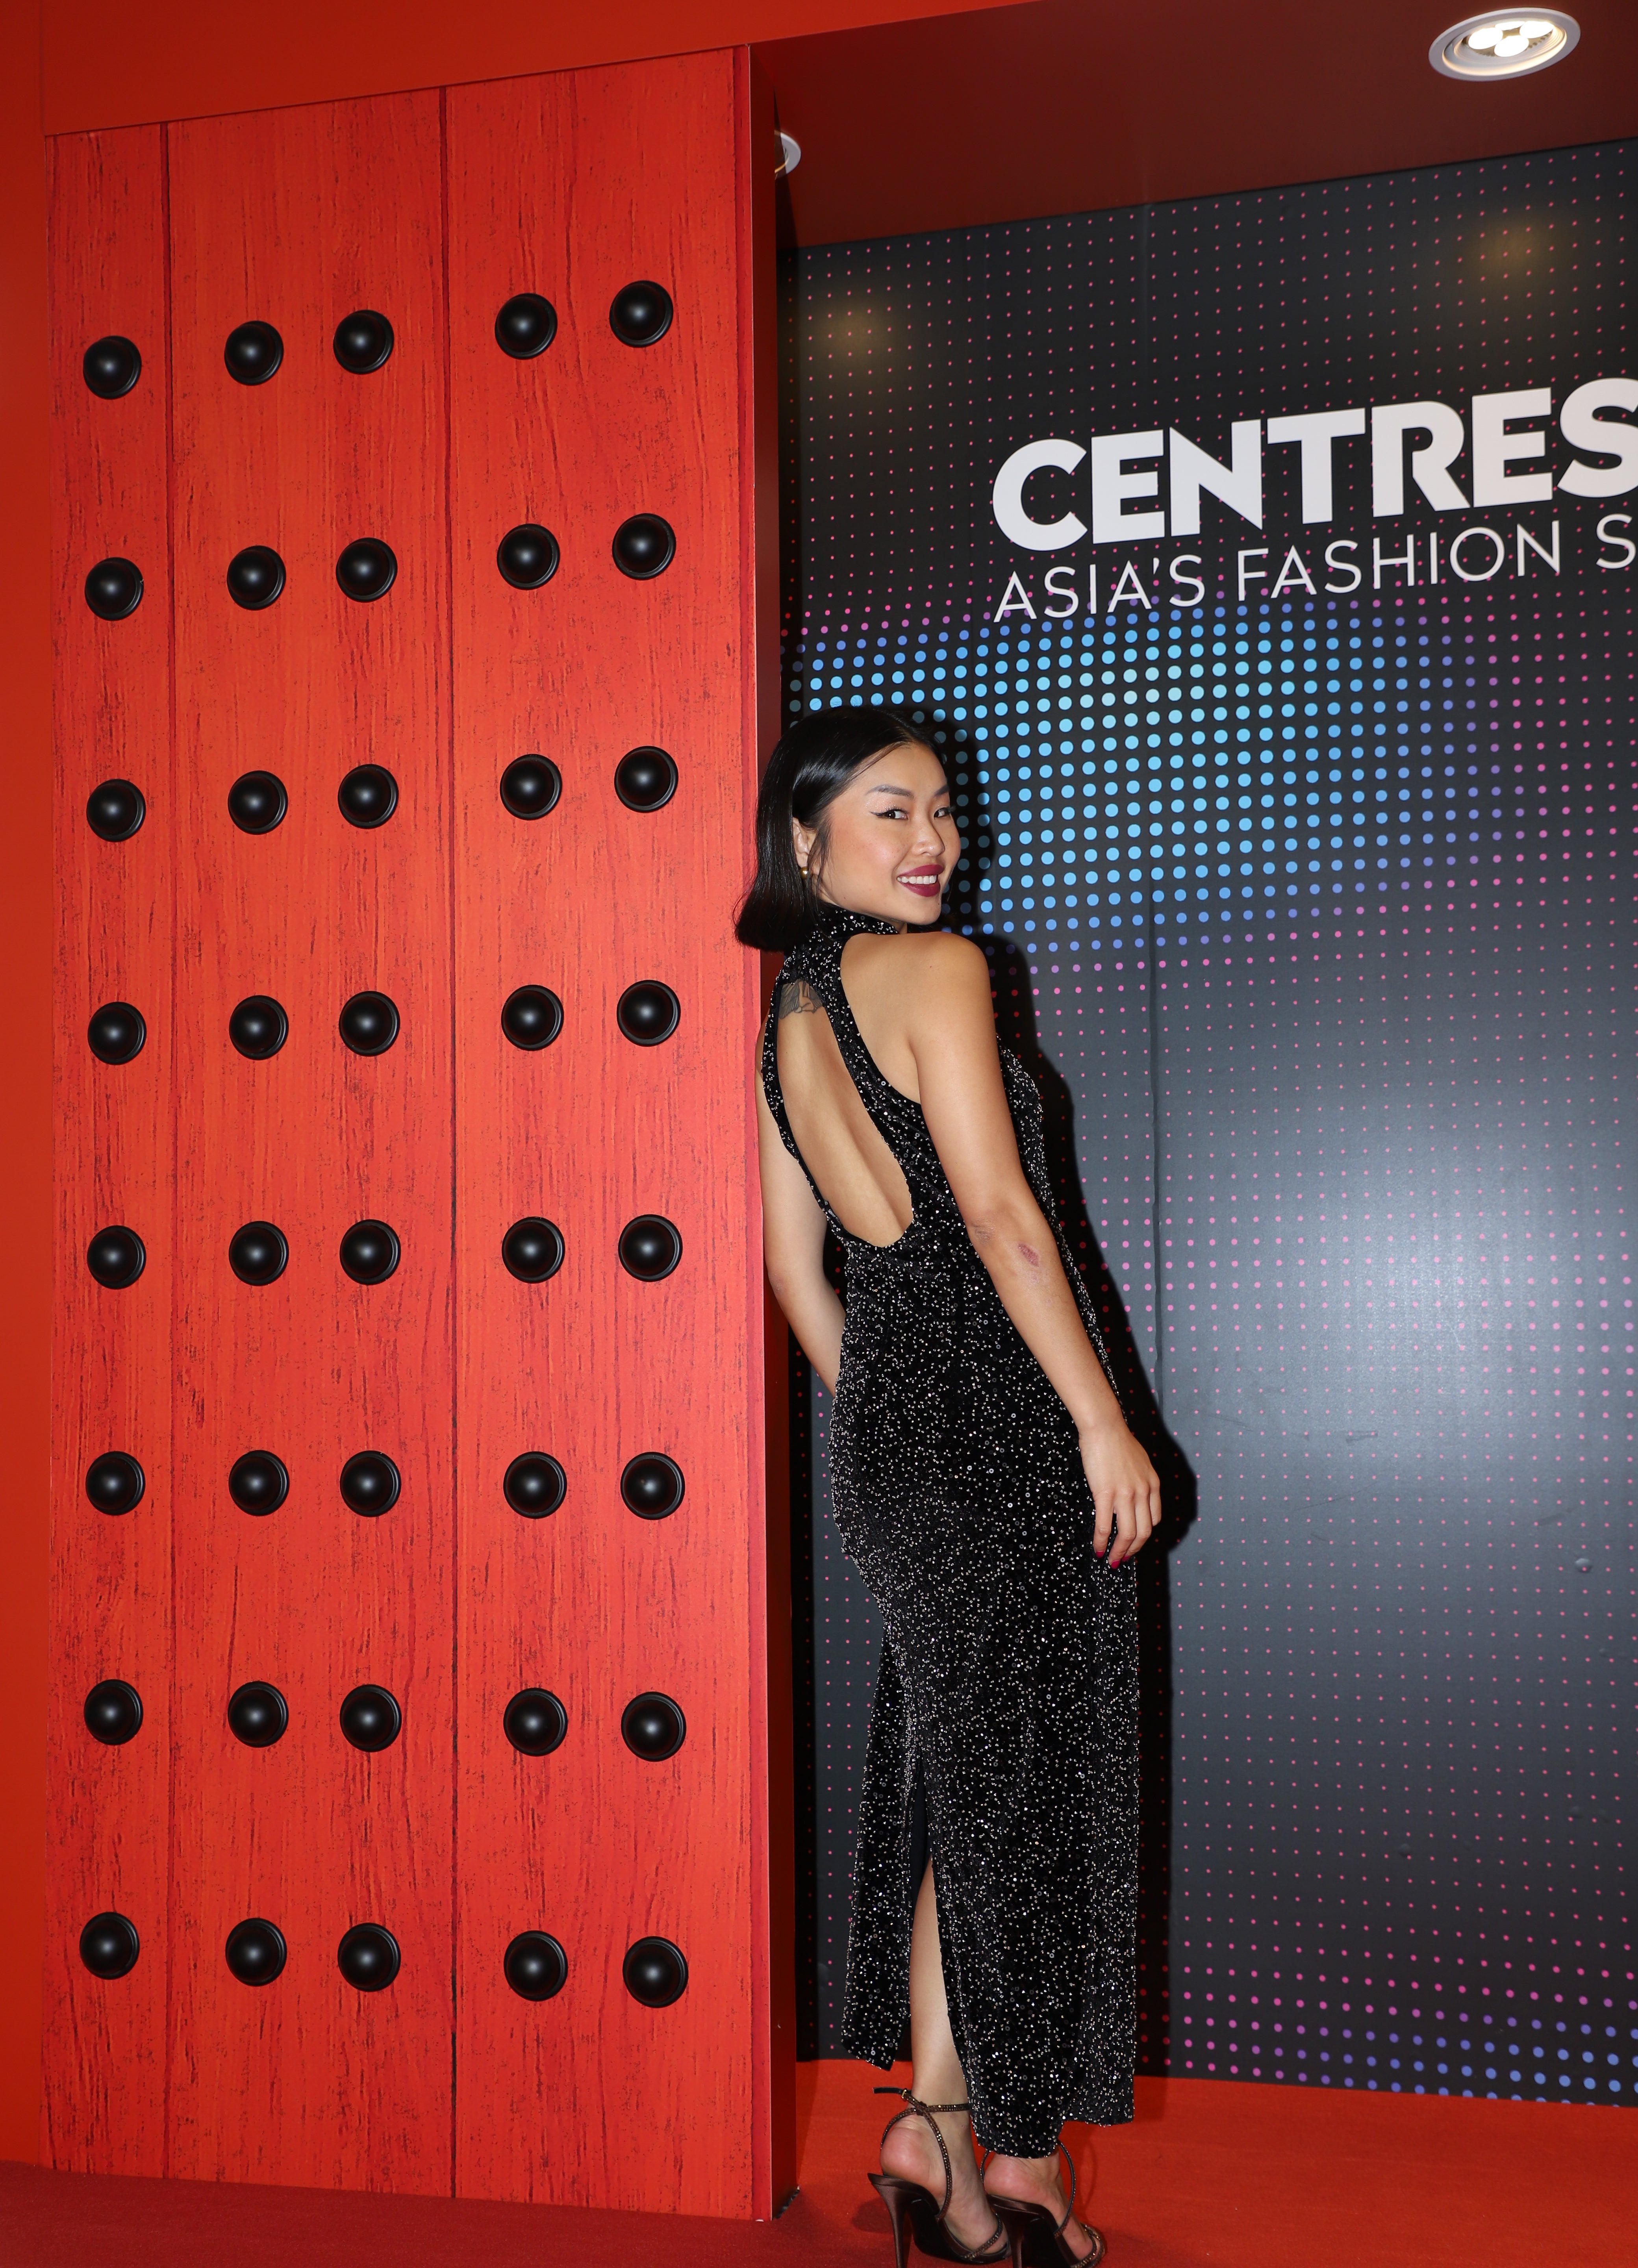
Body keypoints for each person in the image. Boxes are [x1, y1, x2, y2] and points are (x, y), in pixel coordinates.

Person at [739, 708, 1160, 2268]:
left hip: (898, 1435)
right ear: (806, 841)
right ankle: (1002, 2148)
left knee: (963, 1793)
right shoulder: (941, 972)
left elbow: (798, 1275)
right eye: (891, 812)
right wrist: (1095, 1423)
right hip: (1006, 1420)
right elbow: (996, 1214)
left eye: (943, 814)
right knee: (1019, 1796)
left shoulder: (783, 1018)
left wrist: (898, 1422)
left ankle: (939, 2130)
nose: (933, 843)